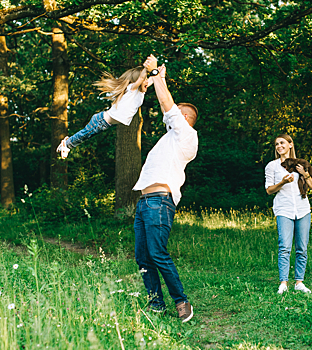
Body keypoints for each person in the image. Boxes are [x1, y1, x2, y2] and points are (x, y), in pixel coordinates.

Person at [133, 54, 198, 322]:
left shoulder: (186, 134)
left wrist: (157, 74)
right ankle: (156, 303)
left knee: (158, 254)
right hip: (144, 202)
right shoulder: (169, 138)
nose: (167, 115)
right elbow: (166, 103)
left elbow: (165, 102)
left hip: (159, 201)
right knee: (143, 258)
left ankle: (181, 301)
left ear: (184, 117)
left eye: (176, 112)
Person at [56, 63, 159, 158]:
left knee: (85, 136)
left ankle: (67, 143)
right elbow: (141, 78)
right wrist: (147, 68)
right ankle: (67, 144)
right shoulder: (132, 89)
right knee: (84, 134)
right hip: (101, 121)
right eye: (145, 79)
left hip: (105, 124)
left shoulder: (140, 93)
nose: (146, 81)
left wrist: (158, 71)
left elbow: (152, 80)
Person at [265, 134, 312, 294]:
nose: (279, 146)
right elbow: (269, 190)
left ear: (290, 144)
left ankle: (299, 282)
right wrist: (282, 183)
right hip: (283, 209)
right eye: (276, 144)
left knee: (302, 247)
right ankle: (283, 283)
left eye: (282, 143)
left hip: (302, 209)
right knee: (284, 247)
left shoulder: (301, 164)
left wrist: (304, 173)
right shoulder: (272, 166)